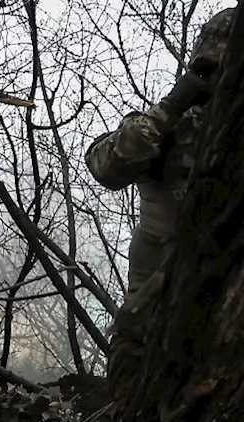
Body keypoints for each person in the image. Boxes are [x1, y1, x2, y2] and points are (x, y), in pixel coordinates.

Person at [86, 7, 233, 392]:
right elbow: (106, 166)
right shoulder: (168, 127)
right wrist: (171, 107)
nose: (214, 79)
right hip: (151, 315)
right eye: (206, 69)